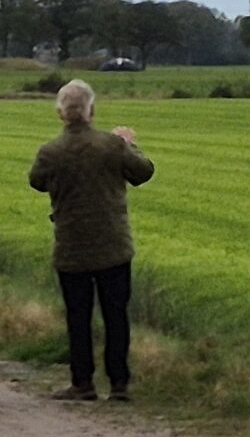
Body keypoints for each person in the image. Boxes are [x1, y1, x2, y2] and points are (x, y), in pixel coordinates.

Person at [28, 79, 155, 402]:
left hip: (71, 247)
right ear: (92, 111)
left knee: (78, 315)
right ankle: (119, 383)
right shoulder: (112, 146)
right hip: (114, 244)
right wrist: (127, 143)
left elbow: (37, 182)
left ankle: (82, 382)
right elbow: (143, 173)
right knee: (116, 314)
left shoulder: (50, 152)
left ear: (61, 114)